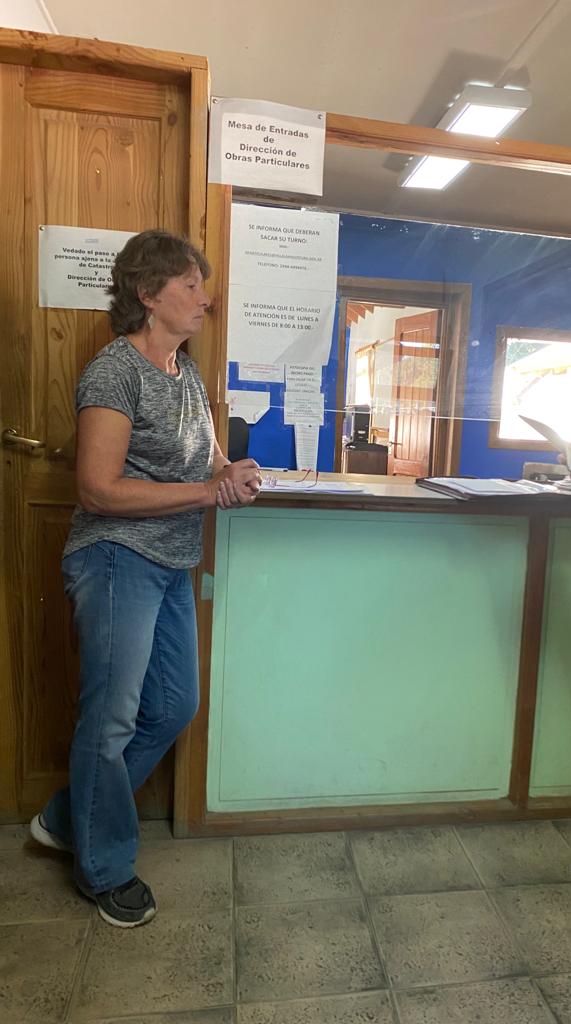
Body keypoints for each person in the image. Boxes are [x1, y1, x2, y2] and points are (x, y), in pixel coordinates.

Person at [29, 229, 262, 928]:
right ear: (147, 293)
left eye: (202, 285)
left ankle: (67, 818)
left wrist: (230, 474)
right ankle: (101, 868)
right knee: (111, 718)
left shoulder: (183, 372)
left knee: (173, 706)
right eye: (190, 285)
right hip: (115, 557)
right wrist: (207, 493)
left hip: (169, 562)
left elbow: (207, 460)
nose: (205, 298)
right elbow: (98, 489)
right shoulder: (115, 372)